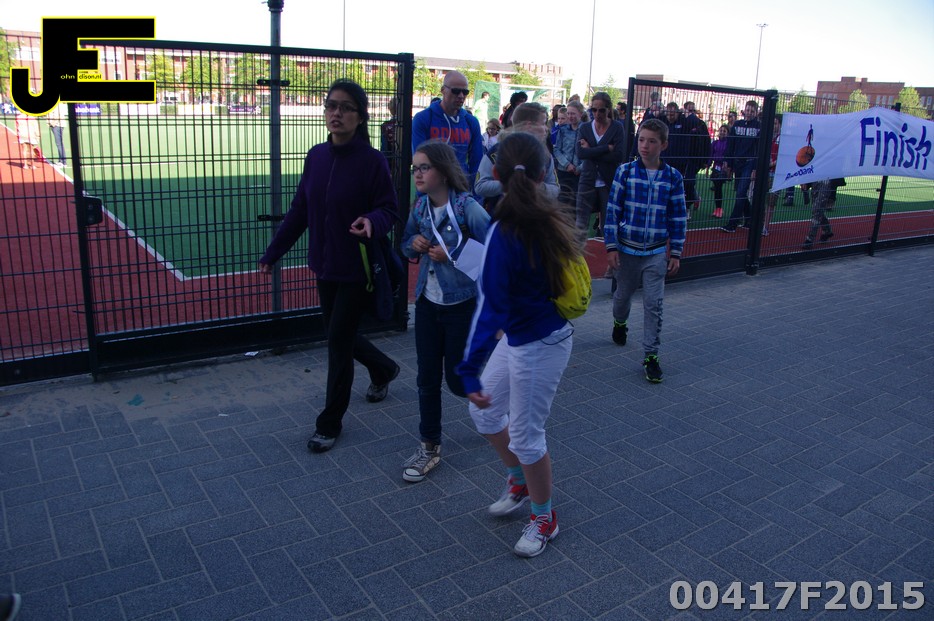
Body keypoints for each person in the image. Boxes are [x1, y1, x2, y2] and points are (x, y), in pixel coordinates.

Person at [457, 130, 583, 558]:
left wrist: (468, 367)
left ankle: (545, 518)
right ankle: (519, 482)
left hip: (540, 343)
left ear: (495, 175)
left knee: (527, 436)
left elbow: (491, 308)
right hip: (522, 337)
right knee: (485, 413)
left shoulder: (511, 229)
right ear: (544, 174)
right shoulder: (541, 219)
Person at [259, 80, 401, 454]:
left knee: (337, 343)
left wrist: (372, 221)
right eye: (331, 106)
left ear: (360, 117)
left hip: (357, 268)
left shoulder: (372, 161)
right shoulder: (317, 156)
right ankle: (383, 368)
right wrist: (273, 253)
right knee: (339, 335)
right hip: (324, 265)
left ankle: (329, 423)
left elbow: (389, 209)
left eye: (346, 107)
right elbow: (300, 210)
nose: (336, 113)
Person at [400, 141, 491, 483]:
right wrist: (414, 245)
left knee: (457, 381)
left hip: (461, 306)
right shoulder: (420, 207)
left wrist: (453, 253)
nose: (417, 174)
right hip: (427, 303)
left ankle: (495, 408)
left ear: (443, 170)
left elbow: (495, 250)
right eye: (415, 168)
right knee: (426, 378)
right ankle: (429, 447)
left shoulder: (468, 208)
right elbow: (405, 242)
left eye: (424, 167)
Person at [605, 118, 687, 383]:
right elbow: (613, 211)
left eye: (652, 141)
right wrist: (611, 246)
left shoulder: (672, 177)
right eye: (641, 140)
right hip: (627, 251)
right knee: (622, 297)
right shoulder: (625, 172)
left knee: (654, 305)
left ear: (663, 145)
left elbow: (678, 216)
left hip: (655, 253)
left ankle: (651, 355)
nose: (645, 146)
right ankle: (620, 322)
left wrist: (675, 251)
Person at [475, 102, 560, 213]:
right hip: (502, 215)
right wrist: (511, 183)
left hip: (536, 216)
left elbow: (555, 188)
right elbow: (480, 186)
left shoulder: (545, 154)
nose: (546, 129)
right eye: (543, 123)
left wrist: (535, 186)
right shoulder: (497, 152)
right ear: (529, 125)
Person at [412, 71, 483, 190]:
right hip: (432, 190)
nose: (461, 96)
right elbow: (419, 159)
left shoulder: (471, 122)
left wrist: (473, 193)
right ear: (443, 90)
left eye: (465, 92)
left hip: (461, 189)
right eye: (456, 91)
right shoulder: (423, 118)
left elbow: (477, 161)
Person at [575, 91, 625, 238]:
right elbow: (581, 153)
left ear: (608, 109)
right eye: (594, 110)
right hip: (587, 179)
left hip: (608, 181)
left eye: (601, 110)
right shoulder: (585, 128)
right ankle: (577, 252)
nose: (597, 114)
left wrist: (590, 150)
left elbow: (618, 155)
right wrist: (605, 148)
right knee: (580, 223)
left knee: (608, 224)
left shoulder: (616, 127)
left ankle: (609, 251)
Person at [661, 102, 709, 219]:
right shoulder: (663, 121)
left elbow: (697, 123)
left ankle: (687, 206)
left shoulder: (685, 121)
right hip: (667, 159)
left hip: (685, 160)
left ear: (678, 113)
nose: (670, 117)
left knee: (687, 183)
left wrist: (688, 113)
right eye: (668, 114)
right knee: (668, 184)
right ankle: (671, 207)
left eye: (673, 114)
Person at [720, 100, 761, 232]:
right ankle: (750, 219)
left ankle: (732, 224)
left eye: (752, 111)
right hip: (738, 162)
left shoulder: (759, 127)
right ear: (744, 110)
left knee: (741, 192)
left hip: (750, 162)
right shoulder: (737, 125)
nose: (749, 113)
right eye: (747, 110)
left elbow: (759, 150)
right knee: (740, 192)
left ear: (756, 113)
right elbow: (730, 145)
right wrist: (728, 162)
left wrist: (755, 168)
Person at [554, 100, 584, 207]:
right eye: (569, 113)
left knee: (576, 202)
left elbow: (589, 152)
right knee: (563, 201)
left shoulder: (586, 130)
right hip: (564, 170)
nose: (571, 116)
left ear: (580, 114)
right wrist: (566, 164)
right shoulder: (563, 130)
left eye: (573, 113)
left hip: (579, 172)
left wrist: (580, 168)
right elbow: (557, 149)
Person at [802, 179, 842, 249]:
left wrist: (832, 196)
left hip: (827, 181)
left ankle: (810, 239)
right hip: (815, 181)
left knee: (817, 209)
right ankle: (827, 230)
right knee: (817, 210)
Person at [709, 124, 730, 218]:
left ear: (728, 133)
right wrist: (708, 165)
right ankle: (717, 208)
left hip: (723, 168)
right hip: (715, 168)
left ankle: (719, 209)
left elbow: (729, 155)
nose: (722, 132)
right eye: (721, 131)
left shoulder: (728, 144)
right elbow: (711, 154)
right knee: (717, 188)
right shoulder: (715, 143)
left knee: (718, 187)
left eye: (724, 131)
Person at [46, 101, 67, 167]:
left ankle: (63, 162)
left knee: (59, 143)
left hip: (57, 125)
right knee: (59, 143)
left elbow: (58, 115)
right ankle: (61, 160)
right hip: (55, 125)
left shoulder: (57, 105)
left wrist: (53, 123)